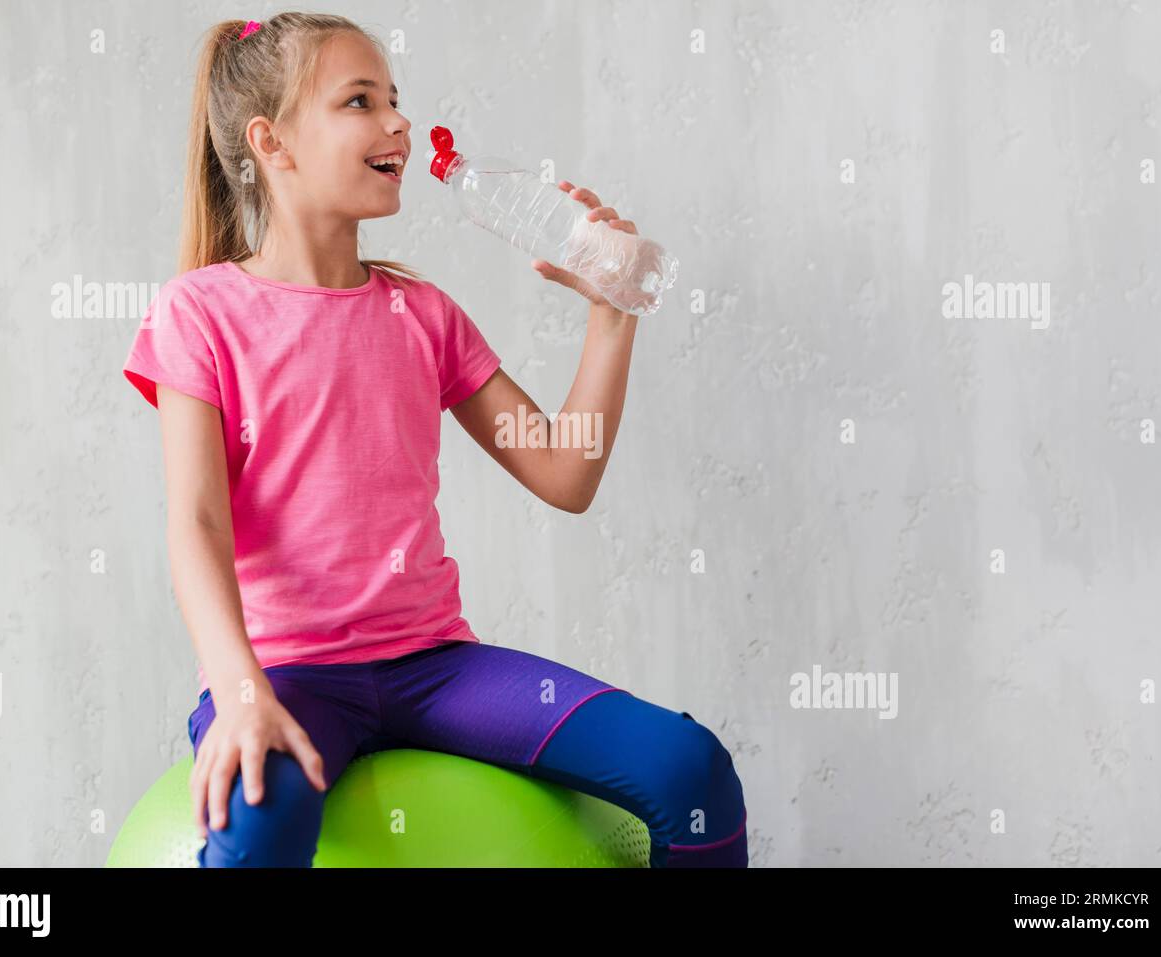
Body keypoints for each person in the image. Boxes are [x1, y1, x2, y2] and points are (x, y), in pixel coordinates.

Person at [122, 12, 748, 868]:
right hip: (287, 674)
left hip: (435, 668)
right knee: (262, 823)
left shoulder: (423, 315)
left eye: (396, 100)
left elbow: (565, 469)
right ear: (273, 143)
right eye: (360, 101)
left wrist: (613, 314)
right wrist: (239, 692)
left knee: (690, 767)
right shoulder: (198, 313)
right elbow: (195, 523)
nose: (399, 125)